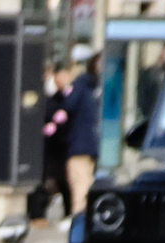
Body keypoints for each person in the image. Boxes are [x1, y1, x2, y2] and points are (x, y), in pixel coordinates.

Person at [59, 44, 102, 220]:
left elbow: (68, 106)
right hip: (94, 144)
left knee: (80, 184)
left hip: (81, 144)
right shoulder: (95, 87)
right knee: (85, 182)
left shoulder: (81, 84)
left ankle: (79, 220)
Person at [30, 64, 71, 223]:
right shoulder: (43, 96)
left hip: (58, 145)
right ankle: (37, 215)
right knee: (42, 180)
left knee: (61, 181)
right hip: (46, 146)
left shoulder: (61, 96)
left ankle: (68, 213)